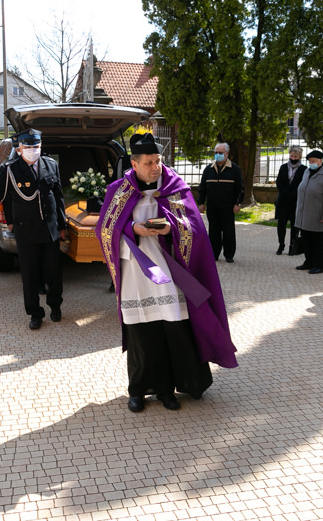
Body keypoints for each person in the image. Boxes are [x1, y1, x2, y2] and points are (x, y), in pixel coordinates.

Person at [96, 133, 238, 413]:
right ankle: (138, 390)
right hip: (135, 274)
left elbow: (194, 226)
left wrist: (171, 229)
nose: (155, 167)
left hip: (170, 274)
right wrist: (133, 229)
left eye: (158, 161)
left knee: (172, 329)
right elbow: (105, 230)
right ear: (134, 164)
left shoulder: (175, 187)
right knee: (141, 334)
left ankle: (168, 389)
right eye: (148, 162)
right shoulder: (118, 190)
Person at [0, 130, 67, 330]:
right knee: (29, 275)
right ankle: (35, 313)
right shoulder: (10, 170)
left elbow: (58, 196)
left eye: (36, 147)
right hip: (26, 231)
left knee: (53, 273)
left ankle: (55, 306)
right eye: (28, 147)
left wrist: (62, 225)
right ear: (19, 149)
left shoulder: (51, 165)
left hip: (50, 231)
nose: (33, 151)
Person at [198, 142, 244, 263]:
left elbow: (240, 188)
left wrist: (237, 203)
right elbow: (202, 187)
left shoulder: (234, 169)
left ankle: (229, 255)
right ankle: (214, 254)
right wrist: (201, 202)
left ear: (227, 154)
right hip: (212, 206)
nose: (218, 155)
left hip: (228, 207)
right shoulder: (208, 169)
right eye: (216, 152)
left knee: (228, 231)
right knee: (214, 231)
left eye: (220, 153)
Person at [294, 150, 323, 274]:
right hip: (304, 214)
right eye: (309, 161)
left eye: (313, 161)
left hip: (318, 215)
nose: (311, 163)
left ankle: (318, 265)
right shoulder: (307, 172)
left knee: (318, 241)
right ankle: (308, 261)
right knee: (306, 239)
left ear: (320, 161)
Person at [274, 146, 307, 255]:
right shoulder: (283, 167)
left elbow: (302, 185)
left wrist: (292, 195)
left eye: (295, 156)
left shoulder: (304, 169)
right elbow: (279, 182)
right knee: (281, 224)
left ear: (299, 157)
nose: (293, 158)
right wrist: (285, 193)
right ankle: (281, 244)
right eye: (291, 156)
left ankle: (292, 245)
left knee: (294, 225)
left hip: (295, 201)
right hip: (283, 200)